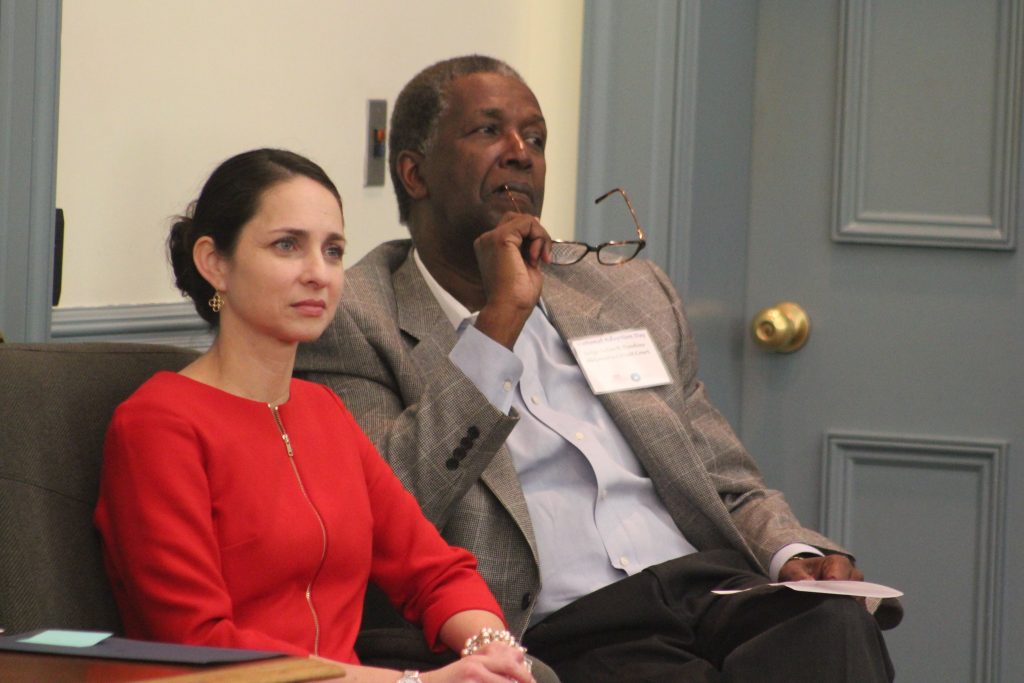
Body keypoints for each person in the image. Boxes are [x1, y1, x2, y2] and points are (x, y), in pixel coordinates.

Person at [295, 57, 899, 682]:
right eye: (488, 132)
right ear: (414, 174)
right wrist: (500, 321)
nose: (520, 153)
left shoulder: (625, 291)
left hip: (711, 591)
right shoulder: (355, 316)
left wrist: (791, 551)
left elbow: (725, 480)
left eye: (535, 138)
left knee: (835, 625)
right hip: (567, 625)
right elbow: (390, 505)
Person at [94, 148, 540, 683]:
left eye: (333, 251)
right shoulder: (158, 423)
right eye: (287, 246)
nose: (318, 274)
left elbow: (434, 570)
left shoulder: (322, 410)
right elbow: (201, 645)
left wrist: (491, 647)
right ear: (214, 263)